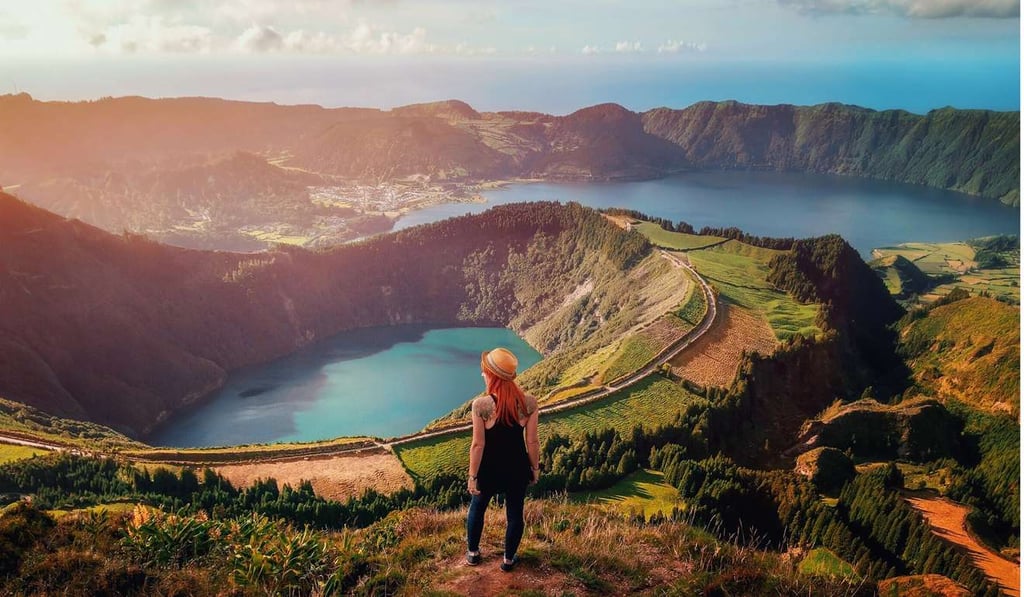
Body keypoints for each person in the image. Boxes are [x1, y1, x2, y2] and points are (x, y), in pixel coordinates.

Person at [466, 347, 541, 571]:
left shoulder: (481, 406)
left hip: (489, 469)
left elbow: (478, 445)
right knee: (515, 513)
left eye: (484, 371)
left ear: (492, 375)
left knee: (477, 508)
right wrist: (534, 469)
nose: (482, 374)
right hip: (517, 468)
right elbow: (533, 442)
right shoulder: (529, 403)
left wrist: (472, 477)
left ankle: (473, 554)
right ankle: (508, 560)